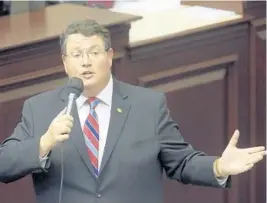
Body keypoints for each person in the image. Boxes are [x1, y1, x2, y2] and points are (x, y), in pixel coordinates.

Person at [0, 19, 265, 203]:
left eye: (94, 52)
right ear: (65, 62)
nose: (86, 62)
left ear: (110, 55)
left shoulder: (147, 106)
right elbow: (4, 164)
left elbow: (181, 162)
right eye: (77, 54)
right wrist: (44, 143)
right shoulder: (39, 109)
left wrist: (219, 166)